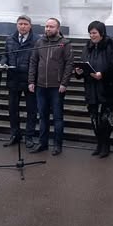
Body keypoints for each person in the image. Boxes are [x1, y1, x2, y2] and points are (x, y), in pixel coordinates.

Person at [75, 21, 113, 158]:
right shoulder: (87, 47)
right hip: (91, 89)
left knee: (105, 120)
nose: (92, 36)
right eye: (90, 33)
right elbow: (84, 64)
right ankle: (99, 143)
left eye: (94, 33)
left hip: (108, 89)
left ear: (102, 33)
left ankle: (105, 145)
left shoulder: (111, 45)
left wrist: (103, 74)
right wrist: (79, 72)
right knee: (94, 119)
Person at [28, 18, 73, 156]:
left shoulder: (64, 43)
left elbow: (69, 64)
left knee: (58, 117)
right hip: (41, 86)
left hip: (56, 87)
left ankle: (57, 145)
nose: (48, 29)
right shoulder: (39, 42)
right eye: (46, 26)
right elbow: (33, 62)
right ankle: (43, 143)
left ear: (58, 29)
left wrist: (64, 83)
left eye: (51, 26)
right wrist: (31, 81)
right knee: (43, 116)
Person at [1, 15, 38, 149]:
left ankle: (29, 136)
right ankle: (15, 135)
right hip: (13, 79)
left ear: (30, 26)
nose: (22, 26)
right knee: (13, 109)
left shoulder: (37, 40)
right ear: (16, 25)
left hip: (29, 80)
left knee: (31, 110)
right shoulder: (10, 39)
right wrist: (3, 63)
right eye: (20, 24)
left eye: (25, 24)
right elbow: (5, 55)